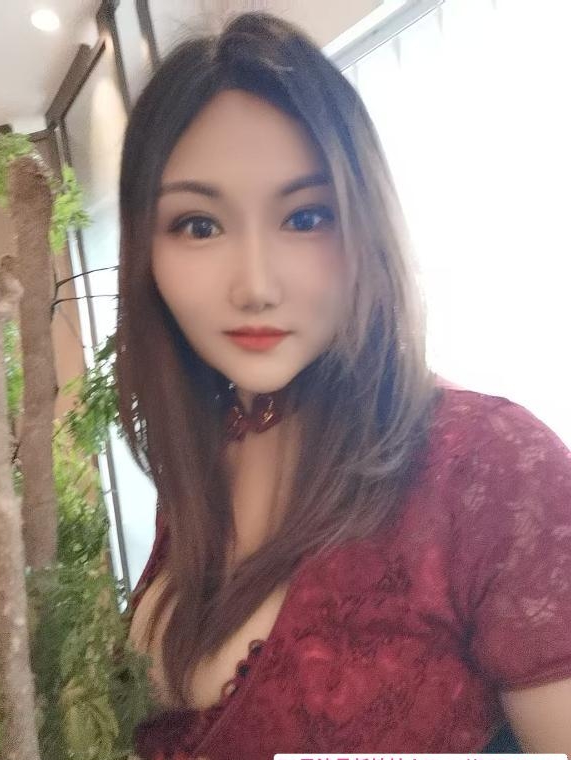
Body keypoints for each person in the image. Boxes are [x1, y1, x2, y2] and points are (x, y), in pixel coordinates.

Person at [115, 11, 571, 760]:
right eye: (199, 225)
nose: (255, 286)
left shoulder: (490, 469)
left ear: (367, 222)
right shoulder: (200, 459)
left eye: (306, 217)